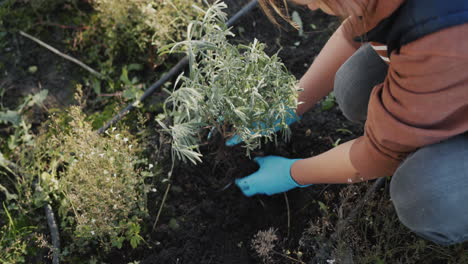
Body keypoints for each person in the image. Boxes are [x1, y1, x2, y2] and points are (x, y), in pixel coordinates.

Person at [231, 0, 468, 246]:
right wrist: (291, 104)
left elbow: (379, 156)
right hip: (447, 66)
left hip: (448, 54)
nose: (310, 8)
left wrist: (292, 174)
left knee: (427, 195)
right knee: (354, 85)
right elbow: (352, 32)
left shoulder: (438, 40)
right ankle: (430, 123)